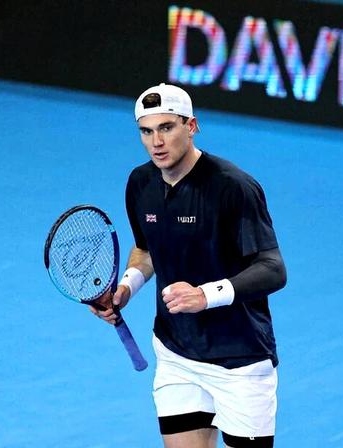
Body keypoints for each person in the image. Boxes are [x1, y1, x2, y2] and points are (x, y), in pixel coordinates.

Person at [90, 83, 287, 448]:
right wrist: (126, 287)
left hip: (239, 361)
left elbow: (273, 268)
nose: (156, 142)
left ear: (192, 126)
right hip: (177, 352)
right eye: (146, 131)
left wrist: (205, 294)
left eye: (167, 127)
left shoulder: (234, 187)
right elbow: (147, 248)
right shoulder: (140, 182)